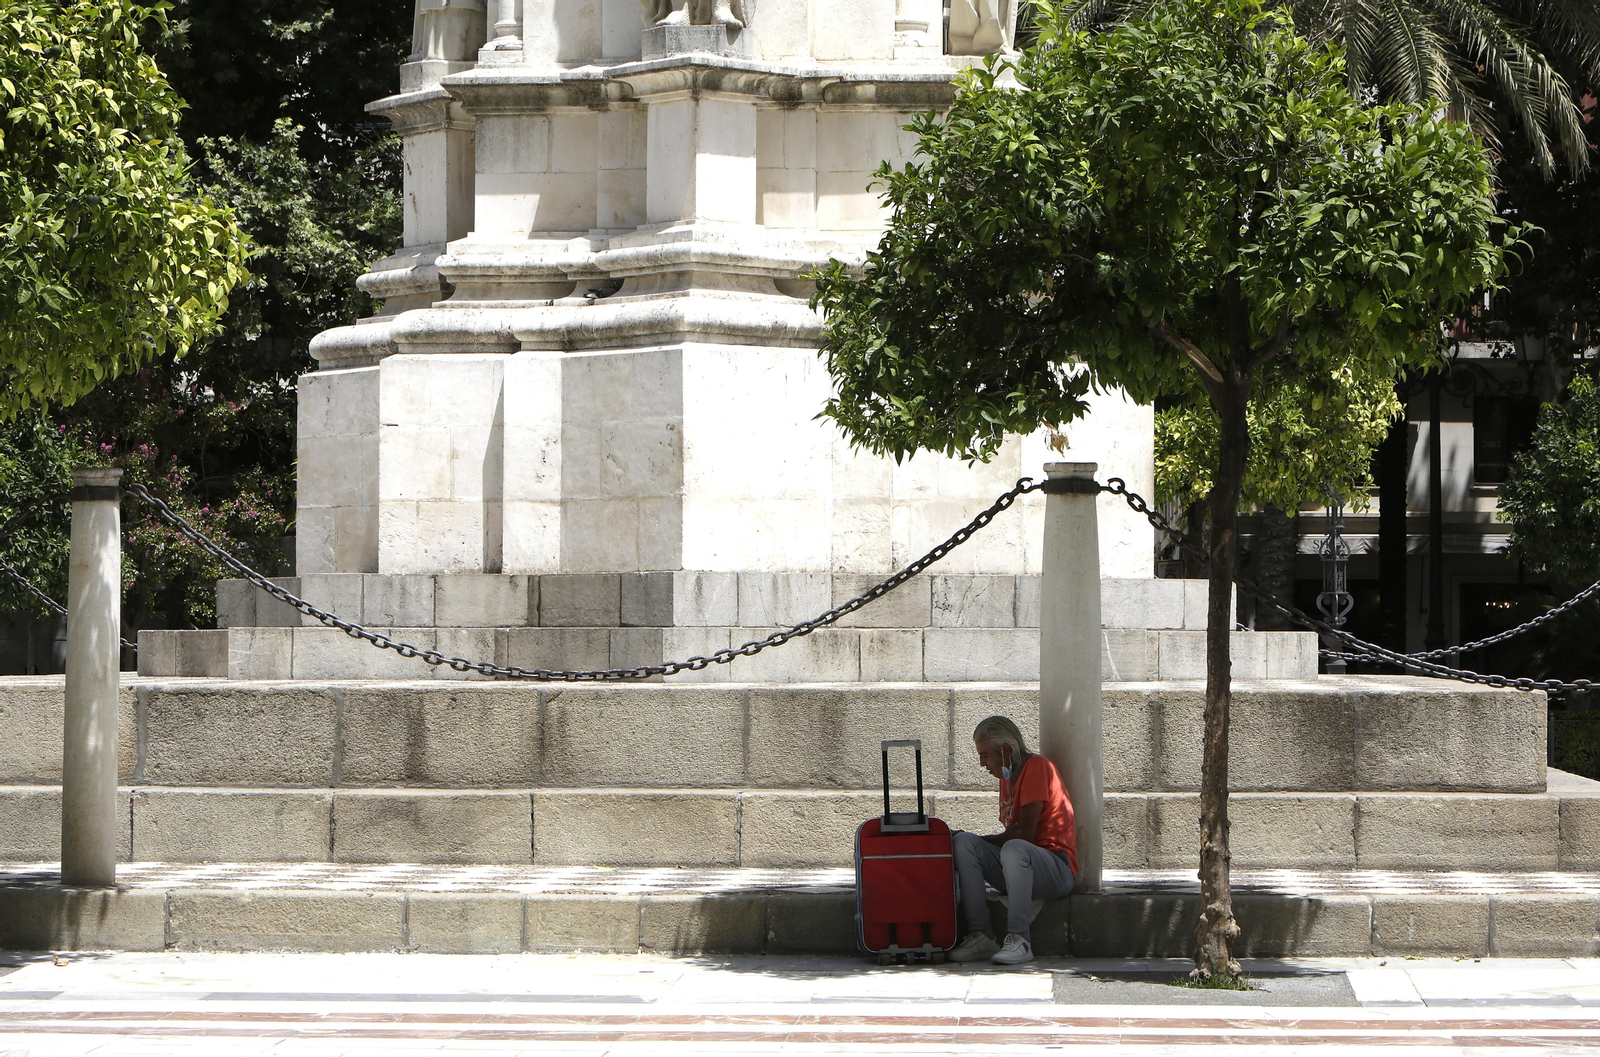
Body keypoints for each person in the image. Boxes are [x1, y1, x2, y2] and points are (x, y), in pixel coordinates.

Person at [948, 715, 1077, 965]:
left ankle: (1020, 939)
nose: (982, 763)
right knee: (963, 843)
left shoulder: (1037, 766)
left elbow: (1024, 834)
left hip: (1056, 869)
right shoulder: (1007, 779)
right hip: (1018, 867)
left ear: (1005, 750)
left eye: (985, 754)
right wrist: (974, 840)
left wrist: (984, 840)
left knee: (1015, 847)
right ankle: (981, 935)